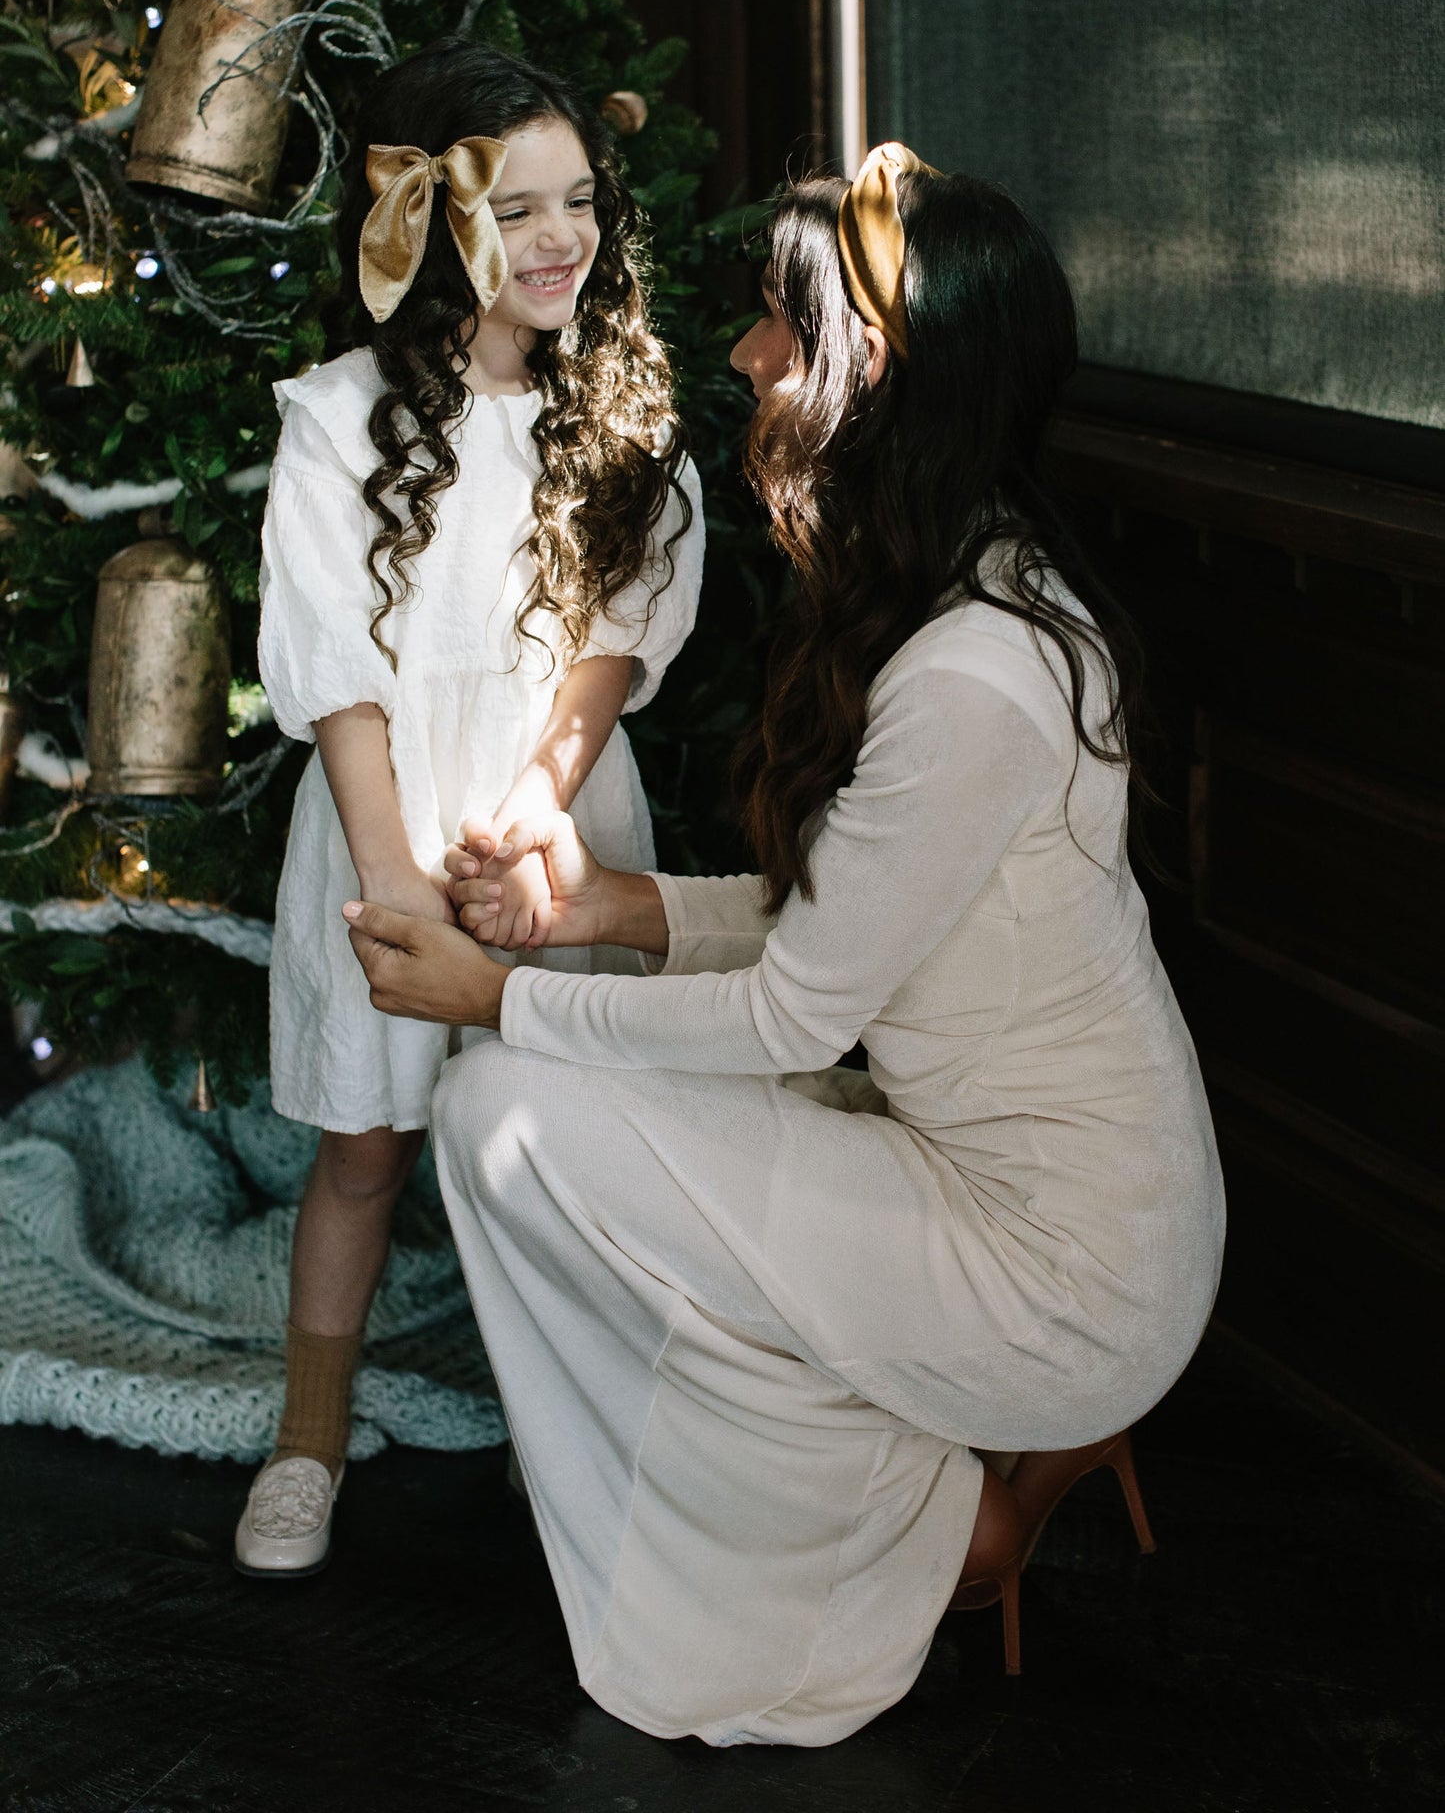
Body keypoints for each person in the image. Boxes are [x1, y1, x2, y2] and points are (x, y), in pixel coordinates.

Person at [343, 145, 1225, 1745]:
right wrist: (610, 911)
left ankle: (911, 1515)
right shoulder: (977, 586)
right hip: (1014, 1184)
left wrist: (501, 994)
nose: (746, 357)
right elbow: (873, 923)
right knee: (525, 1109)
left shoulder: (972, 672)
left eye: (776, 323)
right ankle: (877, 1473)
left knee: (497, 1109)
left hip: (1066, 1273)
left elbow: (795, 1017)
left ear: (864, 369)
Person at [234, 42, 703, 1578]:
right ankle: (308, 1437)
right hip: (384, 830)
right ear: (431, 226)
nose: (561, 239)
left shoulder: (622, 414)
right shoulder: (337, 416)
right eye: (515, 211)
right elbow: (336, 672)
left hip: (551, 831)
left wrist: (529, 822)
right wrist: (394, 882)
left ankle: (558, 1429)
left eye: (580, 203)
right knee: (364, 1155)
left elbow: (608, 652)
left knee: (564, 1139)